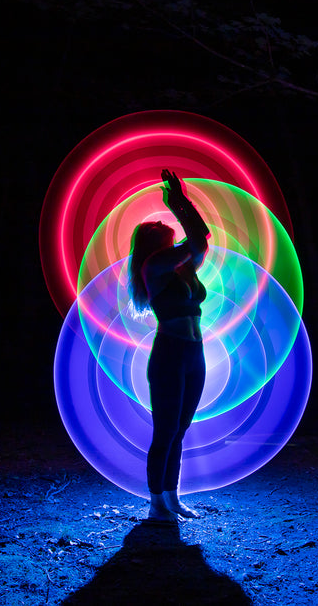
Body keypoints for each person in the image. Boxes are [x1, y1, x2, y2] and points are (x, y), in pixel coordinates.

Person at [128, 169, 210, 522]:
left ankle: (173, 498)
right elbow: (197, 240)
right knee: (165, 429)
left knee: (181, 429)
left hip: (195, 352)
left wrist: (181, 202)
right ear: (154, 243)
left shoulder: (182, 269)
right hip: (170, 354)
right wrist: (177, 203)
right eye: (167, 234)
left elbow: (201, 240)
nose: (173, 237)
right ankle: (155, 503)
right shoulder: (153, 266)